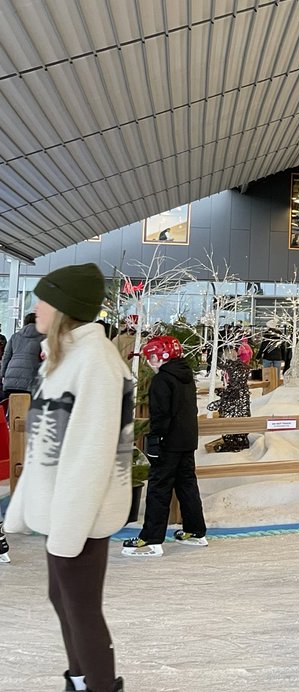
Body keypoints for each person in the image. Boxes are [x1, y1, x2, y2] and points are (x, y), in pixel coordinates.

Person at [4, 264, 133, 692]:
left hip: (81, 512)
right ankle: (80, 680)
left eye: (43, 299)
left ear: (64, 308)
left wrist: (69, 527)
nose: (35, 308)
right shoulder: (64, 358)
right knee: (64, 600)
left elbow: (91, 456)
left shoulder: (96, 362)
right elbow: (45, 449)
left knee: (80, 608)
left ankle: (97, 685)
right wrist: (25, 508)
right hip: (61, 510)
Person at [123, 335, 208, 557]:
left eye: (152, 357)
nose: (150, 362)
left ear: (162, 356)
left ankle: (151, 539)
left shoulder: (162, 380)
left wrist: (155, 440)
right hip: (186, 440)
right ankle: (195, 531)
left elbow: (161, 414)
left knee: (159, 488)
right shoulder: (185, 376)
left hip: (168, 442)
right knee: (186, 484)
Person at [207, 344, 251, 452]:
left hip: (233, 411)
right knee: (240, 425)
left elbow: (232, 394)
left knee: (229, 426)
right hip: (242, 406)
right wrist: (222, 393)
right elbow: (235, 389)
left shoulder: (233, 370)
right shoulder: (241, 369)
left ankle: (233, 445)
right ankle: (241, 441)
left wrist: (218, 403)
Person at [1, 312, 45, 410]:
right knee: (26, 412)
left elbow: (6, 357)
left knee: (11, 411)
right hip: (30, 380)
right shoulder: (43, 338)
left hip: (10, 379)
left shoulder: (15, 336)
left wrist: (3, 375)